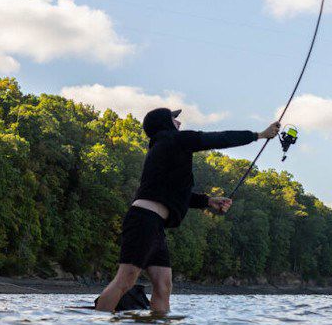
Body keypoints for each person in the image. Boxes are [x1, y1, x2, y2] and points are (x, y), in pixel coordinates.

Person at [94, 107, 281, 312]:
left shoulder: (167, 149)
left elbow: (174, 194)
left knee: (164, 285)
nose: (180, 123)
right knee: (125, 280)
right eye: (174, 119)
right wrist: (259, 135)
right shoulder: (173, 140)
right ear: (164, 123)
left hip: (154, 225)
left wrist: (208, 201)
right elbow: (219, 138)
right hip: (143, 221)